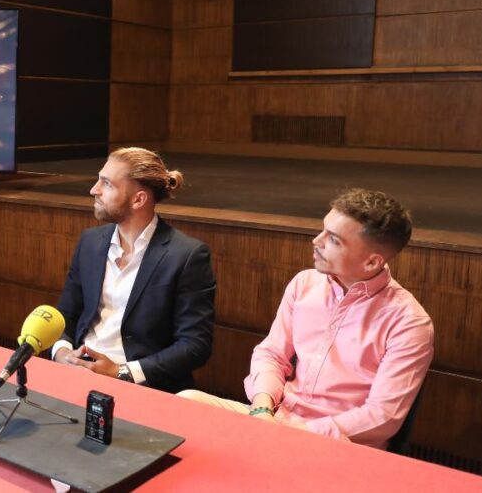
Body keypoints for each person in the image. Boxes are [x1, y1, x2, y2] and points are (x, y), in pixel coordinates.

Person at [178, 188, 434, 449]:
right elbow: (272, 355)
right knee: (185, 402)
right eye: (322, 230)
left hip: (339, 444)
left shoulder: (409, 322)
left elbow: (383, 417)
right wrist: (262, 409)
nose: (316, 240)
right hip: (277, 418)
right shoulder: (305, 283)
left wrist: (297, 432)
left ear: (371, 263)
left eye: (333, 239)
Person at [52, 147, 216, 393]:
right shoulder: (90, 242)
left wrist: (121, 372)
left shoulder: (187, 255)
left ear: (139, 199)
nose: (93, 190)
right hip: (78, 373)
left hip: (141, 385)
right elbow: (65, 315)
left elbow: (195, 345)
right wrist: (62, 353)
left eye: (106, 184)